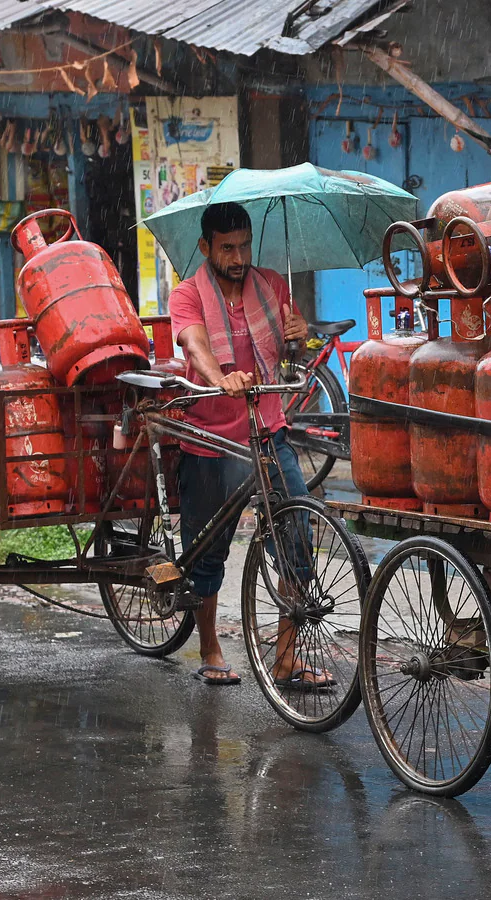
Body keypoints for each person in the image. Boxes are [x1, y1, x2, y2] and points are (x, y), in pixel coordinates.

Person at [168, 202, 328, 688]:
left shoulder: (271, 286)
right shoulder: (188, 294)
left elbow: (292, 356)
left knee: (298, 531)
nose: (238, 257)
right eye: (227, 248)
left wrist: (302, 338)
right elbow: (195, 345)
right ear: (206, 247)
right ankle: (211, 647)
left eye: (243, 245)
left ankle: (285, 656)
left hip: (267, 429)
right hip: (210, 439)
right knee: (207, 549)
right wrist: (222, 378)